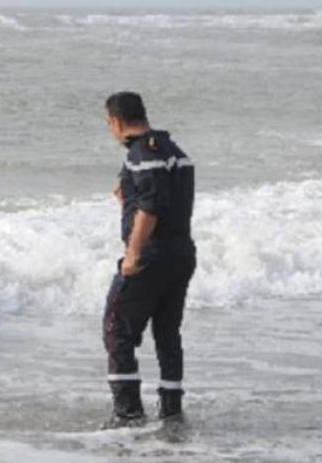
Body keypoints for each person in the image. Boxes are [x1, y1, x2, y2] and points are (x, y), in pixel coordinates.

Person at [101, 91, 196, 428]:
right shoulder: (174, 152)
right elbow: (156, 199)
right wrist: (125, 196)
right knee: (167, 333)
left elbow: (151, 206)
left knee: (116, 328)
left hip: (151, 257)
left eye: (108, 123)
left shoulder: (143, 154)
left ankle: (128, 415)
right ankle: (171, 411)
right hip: (181, 255)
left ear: (115, 121)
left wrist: (133, 253)